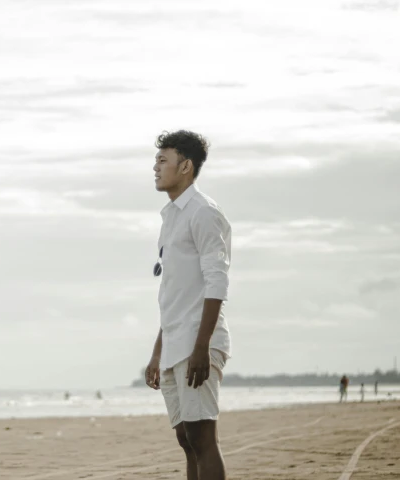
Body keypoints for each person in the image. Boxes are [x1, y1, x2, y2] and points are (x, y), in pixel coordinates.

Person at [143, 130, 231, 480]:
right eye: (156, 160)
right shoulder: (170, 218)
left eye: (163, 160)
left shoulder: (204, 213)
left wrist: (202, 347)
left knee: (202, 436)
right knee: (185, 437)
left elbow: (217, 283)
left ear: (186, 167)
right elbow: (175, 293)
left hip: (199, 342)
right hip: (174, 342)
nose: (155, 167)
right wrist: (156, 352)